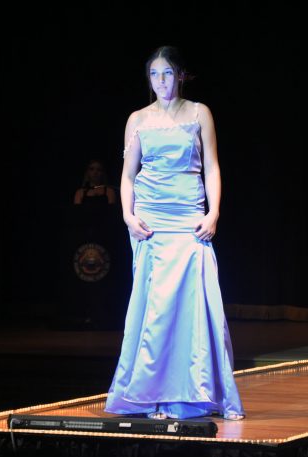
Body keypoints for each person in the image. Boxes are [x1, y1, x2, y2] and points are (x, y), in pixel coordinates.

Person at [104, 46, 245, 421]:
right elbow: (128, 175)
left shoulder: (199, 113)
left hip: (188, 217)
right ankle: (148, 394)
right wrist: (127, 215)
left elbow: (212, 167)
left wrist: (213, 212)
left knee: (195, 303)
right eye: (154, 74)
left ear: (181, 75)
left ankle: (195, 393)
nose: (161, 81)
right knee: (154, 307)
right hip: (151, 220)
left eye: (167, 73)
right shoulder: (138, 119)